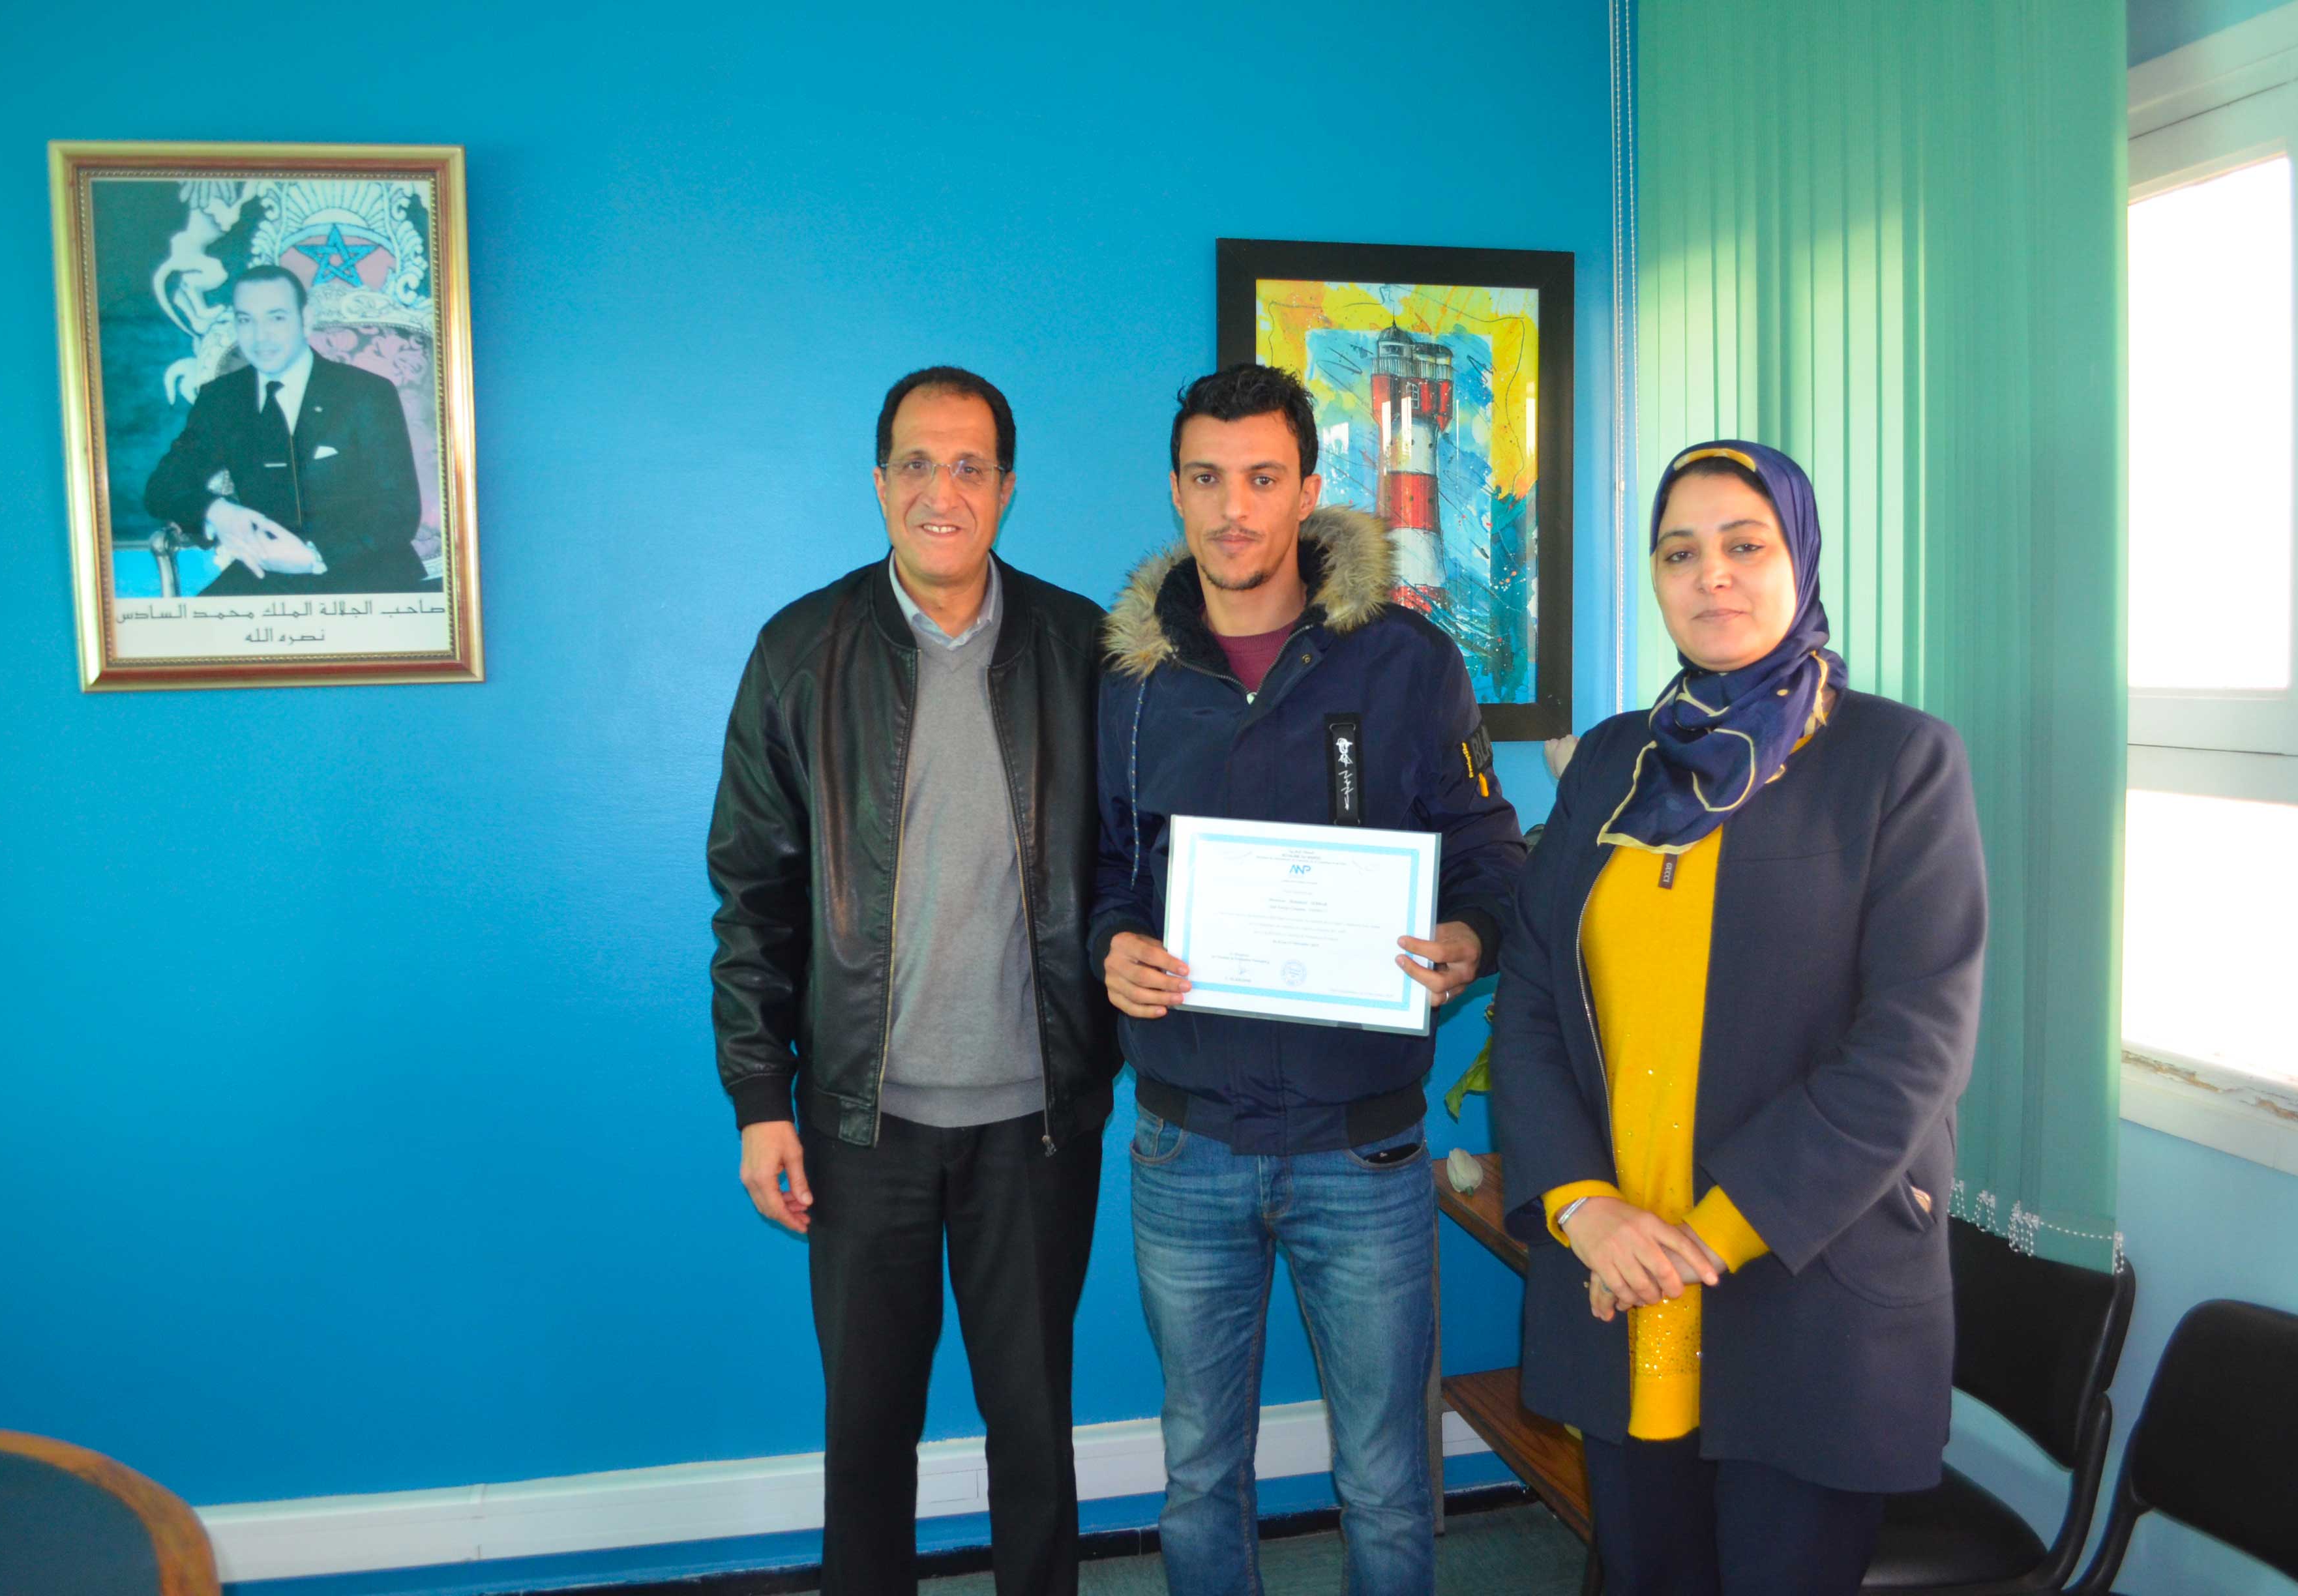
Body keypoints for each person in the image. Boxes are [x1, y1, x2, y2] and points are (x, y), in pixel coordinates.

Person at [1491, 441, 1989, 1596]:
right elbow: (1527, 996)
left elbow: (1914, 1044)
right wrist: (1585, 1209)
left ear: (1799, 558)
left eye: (1743, 544)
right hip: (1617, 1277)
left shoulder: (1898, 760)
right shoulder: (1615, 760)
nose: (1711, 574)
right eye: (1680, 551)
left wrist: (1710, 1232)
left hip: (1797, 1281)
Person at [1090, 363, 1526, 1594]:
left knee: (1387, 1480)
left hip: (1367, 1150)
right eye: (1207, 478)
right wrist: (1110, 947)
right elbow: (1106, 868)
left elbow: (1487, 849)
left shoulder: (1406, 662)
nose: (1235, 508)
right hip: (1187, 1144)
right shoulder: (1126, 676)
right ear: (1176, 488)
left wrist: (1469, 939)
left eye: (1263, 477)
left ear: (1309, 487)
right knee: (1198, 1470)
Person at [707, 367, 1118, 1596]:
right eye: (918, 465)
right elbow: (753, 896)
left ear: (1005, 486)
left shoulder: (1081, 649)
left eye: (971, 466)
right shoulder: (799, 652)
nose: (944, 491)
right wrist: (756, 1098)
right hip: (859, 1123)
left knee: (1035, 1430)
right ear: (880, 482)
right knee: (867, 1435)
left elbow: (1130, 859)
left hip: (1037, 1119)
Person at [144, 263, 429, 596]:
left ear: (306, 319)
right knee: (195, 642)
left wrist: (313, 556)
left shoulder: (366, 393)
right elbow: (163, 487)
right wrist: (217, 512)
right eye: (245, 320)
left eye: (276, 318)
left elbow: (399, 509)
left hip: (365, 573)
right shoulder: (222, 399)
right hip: (266, 576)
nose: (259, 336)